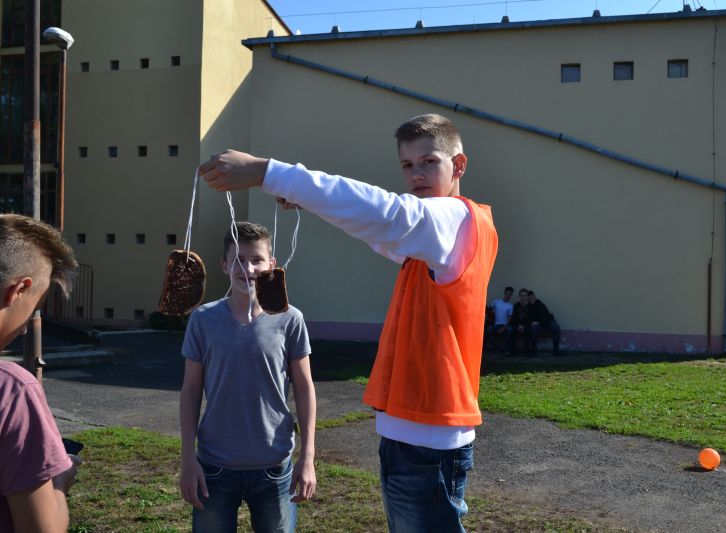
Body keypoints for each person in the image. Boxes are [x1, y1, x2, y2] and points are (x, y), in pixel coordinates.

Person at [197, 113, 498, 532]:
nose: (417, 174)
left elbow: (386, 215)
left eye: (429, 162)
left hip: (429, 438)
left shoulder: (453, 218)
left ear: (459, 165)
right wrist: (307, 199)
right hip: (418, 435)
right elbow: (374, 229)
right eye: (408, 165)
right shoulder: (439, 236)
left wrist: (268, 172)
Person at [178, 222, 316, 533]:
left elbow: (305, 388)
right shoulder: (203, 320)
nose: (248, 269)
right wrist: (188, 459)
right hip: (214, 466)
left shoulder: (290, 319)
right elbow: (190, 391)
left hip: (274, 465)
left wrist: (307, 458)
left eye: (256, 259)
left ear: (271, 265)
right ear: (224, 265)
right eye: (238, 260)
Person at [0, 208, 81, 533]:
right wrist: (60, 483)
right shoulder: (9, 390)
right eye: (35, 307)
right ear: (18, 290)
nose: (26, 327)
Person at [527, 290, 562, 355]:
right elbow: (528, 319)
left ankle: (556, 349)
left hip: (546, 322)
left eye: (532, 298)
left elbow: (545, 315)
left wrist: (538, 322)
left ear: (535, 297)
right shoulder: (528, 307)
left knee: (556, 327)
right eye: (529, 298)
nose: (531, 300)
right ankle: (534, 349)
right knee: (534, 328)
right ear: (528, 299)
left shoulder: (540, 304)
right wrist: (532, 322)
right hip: (538, 326)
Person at [485, 286, 513, 351]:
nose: (508, 296)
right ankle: (495, 348)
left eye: (510, 294)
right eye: (507, 293)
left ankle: (505, 348)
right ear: (504, 293)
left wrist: (504, 328)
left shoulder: (510, 306)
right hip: (496, 324)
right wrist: (492, 312)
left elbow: (510, 318)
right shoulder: (496, 302)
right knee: (489, 329)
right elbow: (489, 310)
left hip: (505, 325)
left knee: (510, 330)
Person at [508, 288, 532, 355]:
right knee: (513, 330)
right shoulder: (516, 306)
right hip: (517, 325)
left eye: (525, 295)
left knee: (528, 330)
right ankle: (512, 351)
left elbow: (531, 318)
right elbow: (514, 318)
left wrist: (523, 325)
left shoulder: (530, 306)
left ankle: (527, 351)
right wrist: (519, 325)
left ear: (527, 296)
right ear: (519, 296)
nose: (523, 297)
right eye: (521, 295)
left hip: (527, 325)